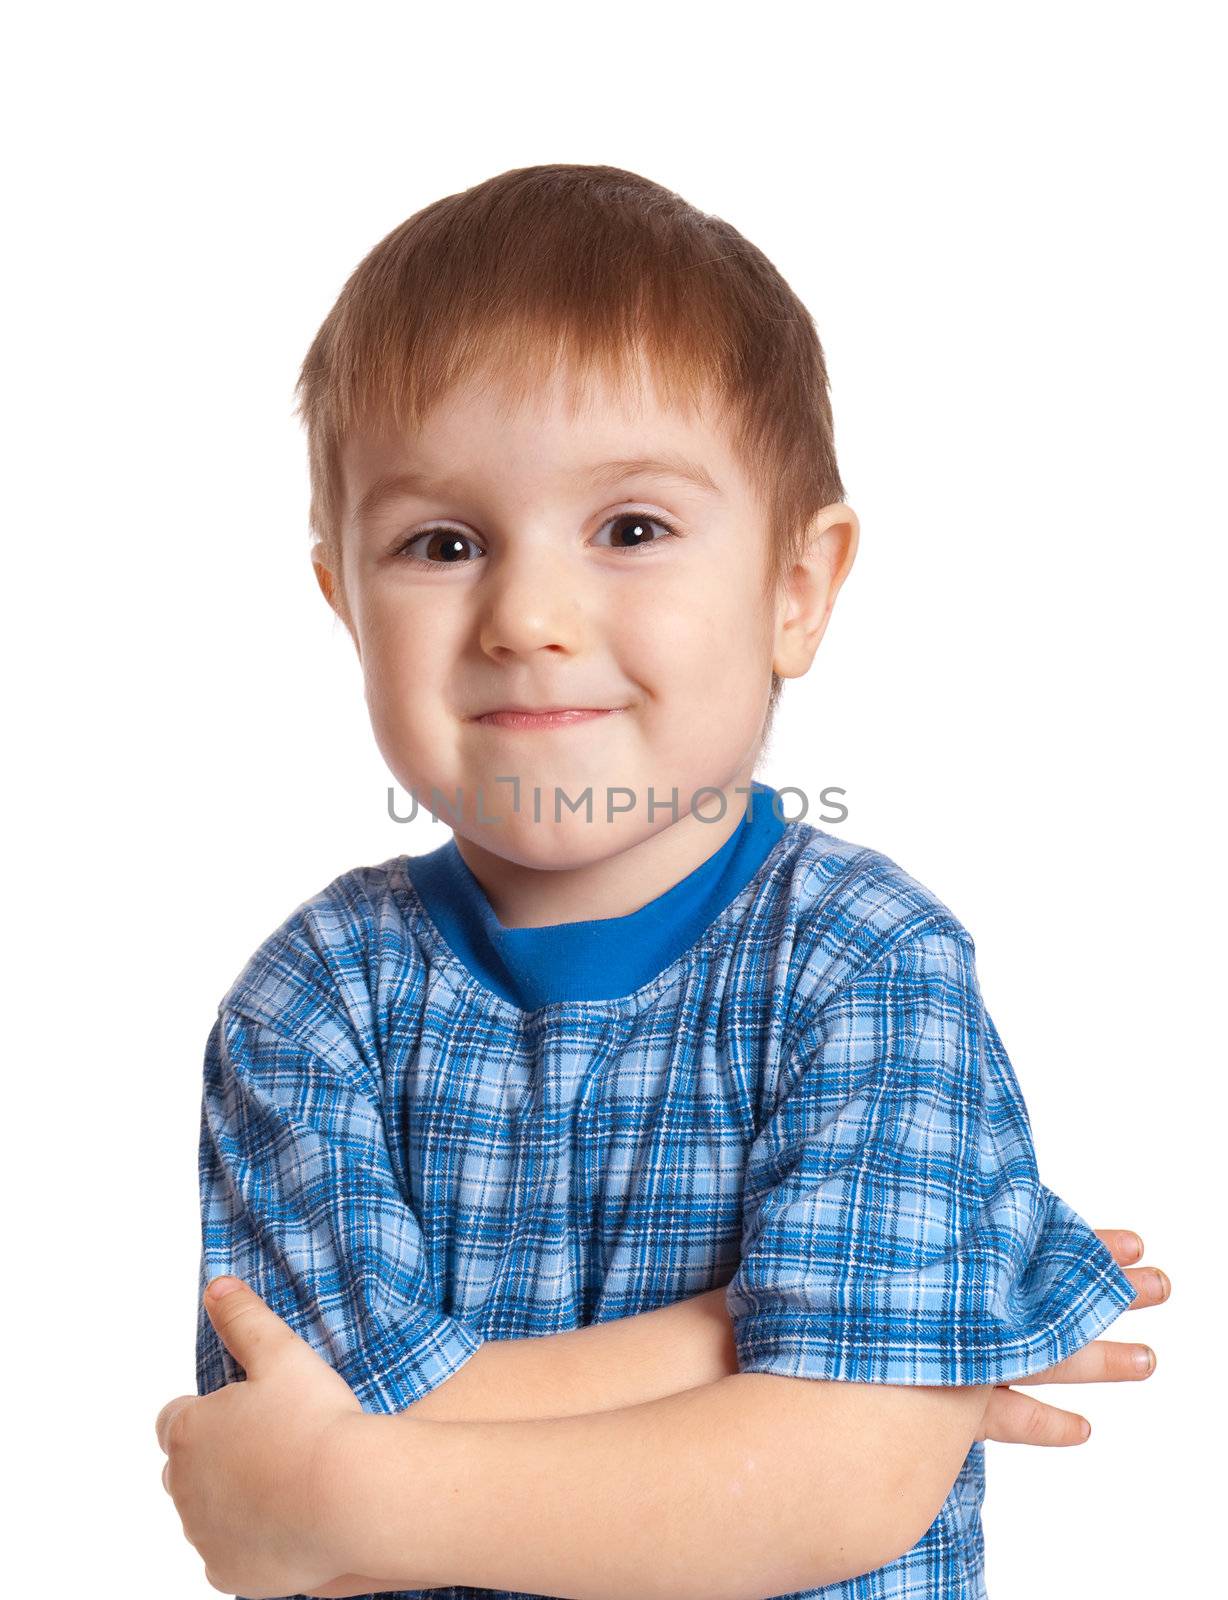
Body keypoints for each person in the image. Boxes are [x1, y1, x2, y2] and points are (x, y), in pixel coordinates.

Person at [167, 163, 1170, 1600]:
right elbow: (293, 1423)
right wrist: (774, 1344)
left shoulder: (866, 963)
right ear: (343, 598)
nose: (527, 615)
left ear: (796, 590)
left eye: (630, 529)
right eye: (441, 544)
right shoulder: (313, 1000)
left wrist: (354, 1500)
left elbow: (838, 1490)